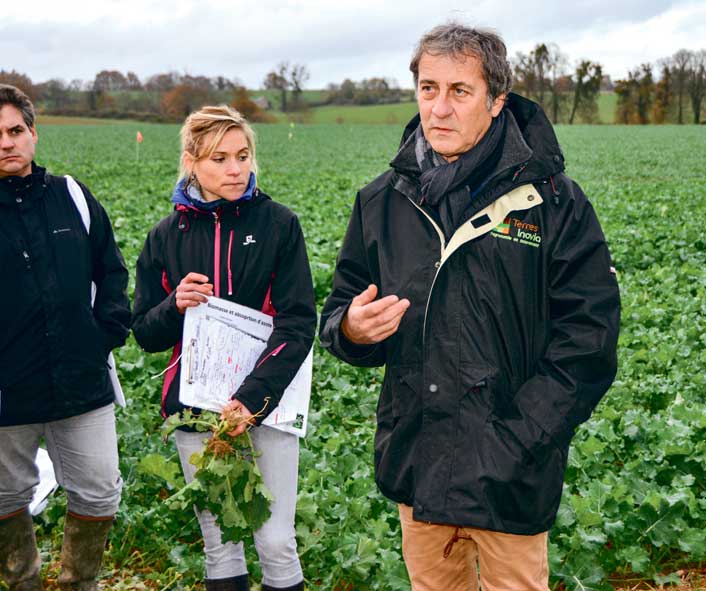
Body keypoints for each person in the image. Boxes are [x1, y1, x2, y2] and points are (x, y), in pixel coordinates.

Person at [320, 23, 621, 590]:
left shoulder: (552, 202)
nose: (439, 108)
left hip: (510, 474)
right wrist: (352, 329)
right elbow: (337, 313)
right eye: (428, 88)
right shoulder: (382, 200)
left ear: (497, 99)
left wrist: (517, 440)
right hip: (419, 462)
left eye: (459, 91)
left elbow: (589, 343)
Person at [132, 105, 315, 591]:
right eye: (220, 159)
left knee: (276, 541)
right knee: (219, 542)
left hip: (267, 404)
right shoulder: (165, 237)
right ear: (192, 162)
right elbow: (146, 334)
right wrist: (174, 306)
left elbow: (297, 323)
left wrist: (251, 400)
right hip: (197, 410)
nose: (236, 169)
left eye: (242, 155)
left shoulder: (279, 225)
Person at [0, 84, 130, 591]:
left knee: (99, 491)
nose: (6, 143)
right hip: (8, 392)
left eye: (15, 131)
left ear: (33, 133)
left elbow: (111, 272)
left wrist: (102, 338)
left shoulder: (71, 197)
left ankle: (81, 583)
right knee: (6, 496)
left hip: (81, 382)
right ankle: (23, 581)